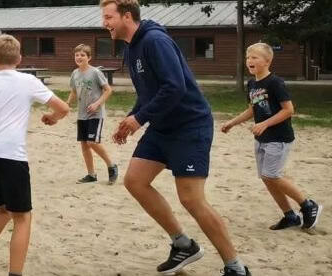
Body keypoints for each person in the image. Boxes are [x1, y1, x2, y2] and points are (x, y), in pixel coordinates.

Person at [101, 0, 250, 275]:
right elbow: (148, 93)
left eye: (109, 17)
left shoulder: (155, 41)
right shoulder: (131, 47)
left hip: (189, 125)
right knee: (135, 181)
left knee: (191, 199)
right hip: (162, 127)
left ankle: (236, 267)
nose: (104, 23)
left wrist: (139, 119)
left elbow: (175, 87)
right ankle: (183, 244)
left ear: (127, 16)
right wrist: (131, 119)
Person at [0, 34, 70, 276]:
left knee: (2, 209)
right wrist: (52, 117)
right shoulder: (28, 81)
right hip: (11, 155)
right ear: (19, 58)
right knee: (22, 217)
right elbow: (63, 108)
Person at [221, 42, 322, 231]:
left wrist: (265, 124)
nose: (249, 61)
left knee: (272, 175)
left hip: (279, 138)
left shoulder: (275, 82)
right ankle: (290, 216)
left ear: (267, 61)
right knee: (267, 178)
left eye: (254, 57)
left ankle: (308, 205)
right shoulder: (252, 84)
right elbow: (252, 109)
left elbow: (288, 110)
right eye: (248, 57)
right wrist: (232, 123)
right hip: (262, 139)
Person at [67, 44, 118, 184]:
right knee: (84, 145)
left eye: (82, 55)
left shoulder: (95, 72)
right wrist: (67, 104)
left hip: (95, 114)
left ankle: (111, 165)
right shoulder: (75, 73)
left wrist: (97, 104)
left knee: (92, 142)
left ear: (89, 57)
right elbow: (73, 91)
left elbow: (108, 90)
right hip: (82, 114)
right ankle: (91, 175)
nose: (79, 57)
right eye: (77, 55)